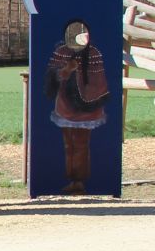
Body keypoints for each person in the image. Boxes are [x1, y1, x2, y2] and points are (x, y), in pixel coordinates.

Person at [46, 19, 110, 195]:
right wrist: (66, 70)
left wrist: (78, 73)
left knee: (81, 143)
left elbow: (99, 80)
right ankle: (71, 179)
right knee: (68, 144)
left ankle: (79, 180)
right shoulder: (61, 52)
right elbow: (53, 75)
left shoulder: (94, 53)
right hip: (66, 105)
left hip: (86, 107)